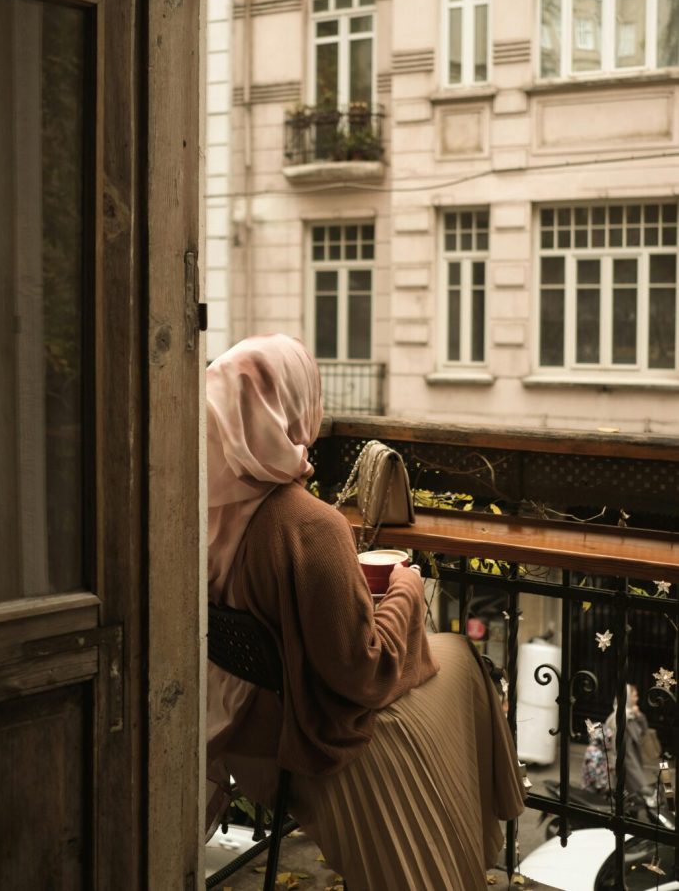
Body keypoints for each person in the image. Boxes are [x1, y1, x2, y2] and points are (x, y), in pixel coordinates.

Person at [206, 333, 526, 891]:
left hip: (237, 720)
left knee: (452, 657)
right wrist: (404, 585)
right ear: (298, 406)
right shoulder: (307, 523)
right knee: (460, 656)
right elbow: (361, 669)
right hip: (300, 731)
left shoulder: (198, 503)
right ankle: (475, 837)